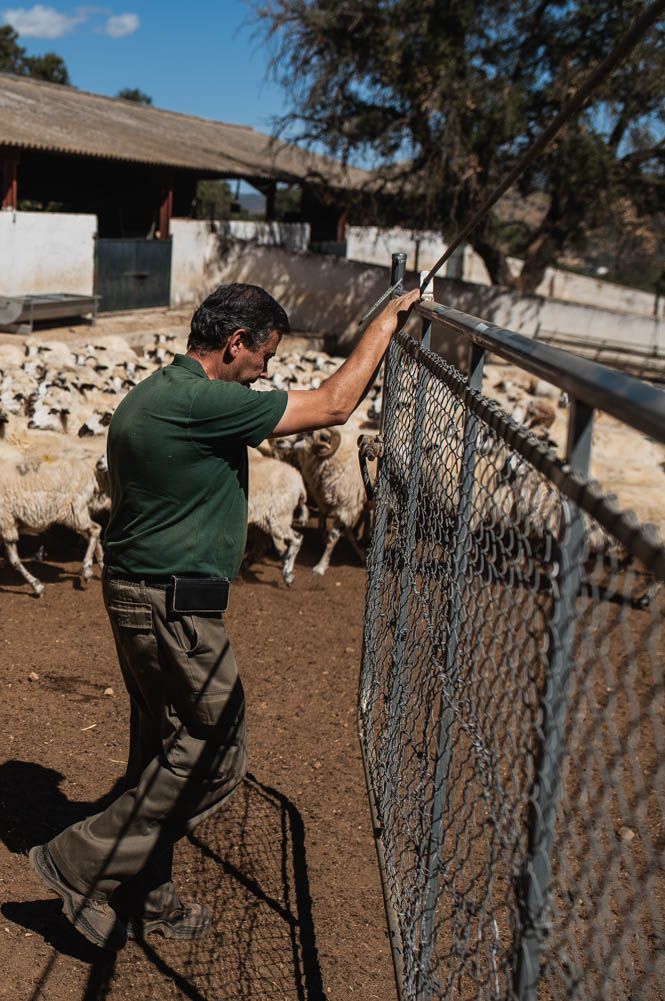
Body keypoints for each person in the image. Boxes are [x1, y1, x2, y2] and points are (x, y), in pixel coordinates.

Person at [28, 281, 422, 950]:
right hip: (172, 603)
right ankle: (79, 862)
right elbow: (334, 402)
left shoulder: (156, 392)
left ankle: (150, 900)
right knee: (215, 743)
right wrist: (385, 321)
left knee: (163, 748)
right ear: (235, 344)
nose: (266, 370)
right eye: (264, 355)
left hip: (143, 595)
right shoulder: (201, 401)